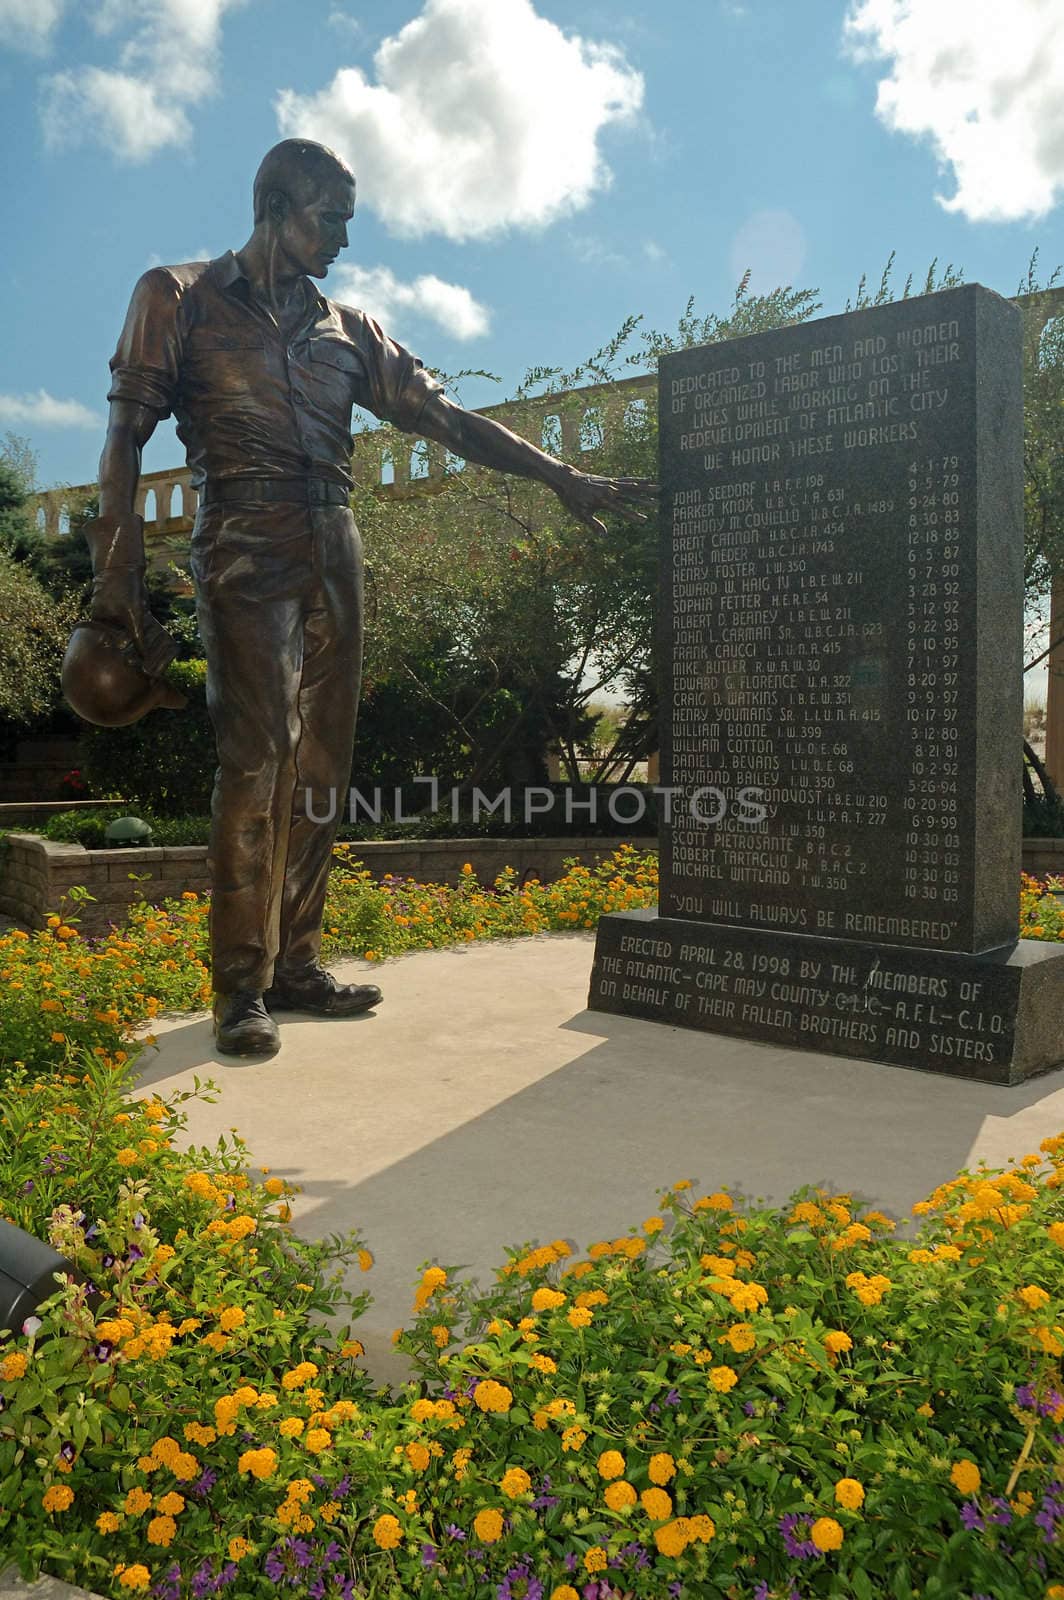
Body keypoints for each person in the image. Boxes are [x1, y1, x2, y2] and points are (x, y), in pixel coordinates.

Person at [87, 138, 654, 1058]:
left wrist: (559, 474)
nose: (344, 238)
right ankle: (240, 987)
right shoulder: (177, 296)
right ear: (276, 204)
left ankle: (297, 964)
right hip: (242, 540)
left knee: (321, 769)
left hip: (334, 545)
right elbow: (122, 445)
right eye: (331, 217)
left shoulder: (348, 329)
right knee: (256, 761)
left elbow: (445, 416)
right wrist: (117, 586)